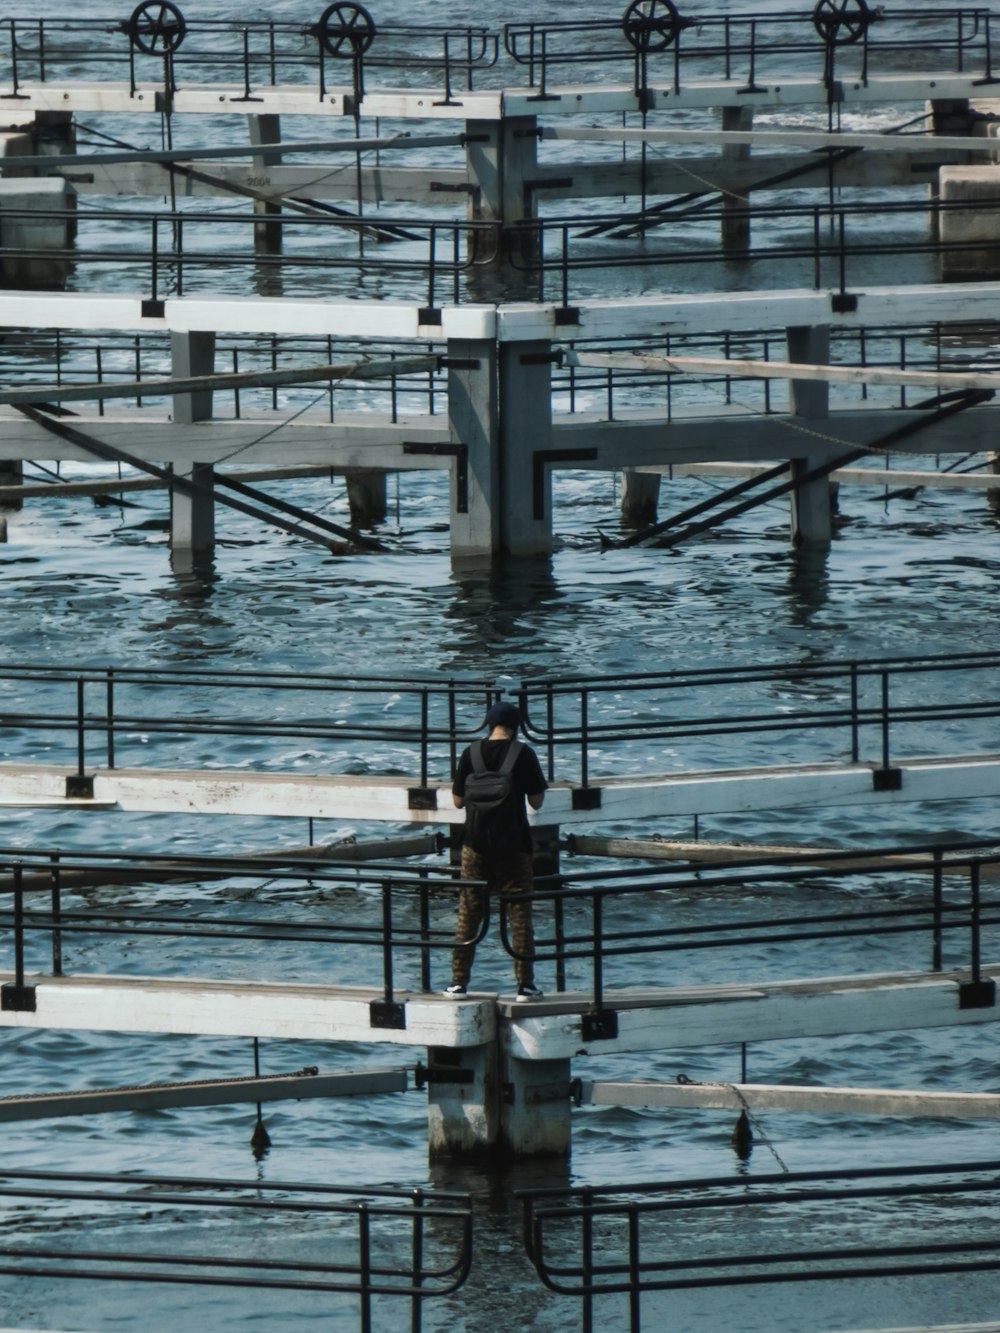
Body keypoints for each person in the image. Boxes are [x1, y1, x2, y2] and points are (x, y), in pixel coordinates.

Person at [446, 700, 547, 1001]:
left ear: (489, 724)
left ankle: (458, 984)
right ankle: (524, 986)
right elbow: (537, 802)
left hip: (475, 846)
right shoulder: (523, 753)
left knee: (468, 915)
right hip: (514, 847)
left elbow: (457, 801)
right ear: (516, 727)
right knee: (520, 917)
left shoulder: (471, 753)